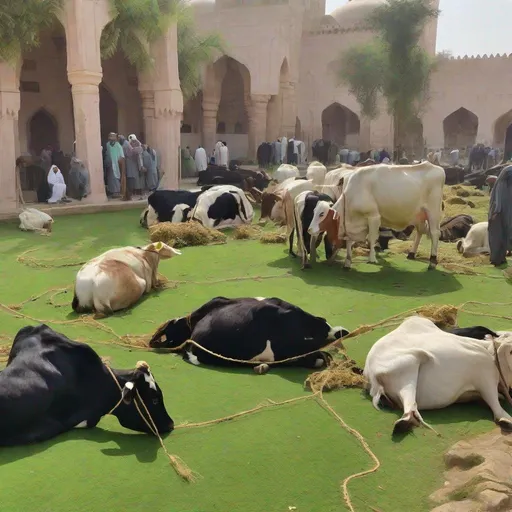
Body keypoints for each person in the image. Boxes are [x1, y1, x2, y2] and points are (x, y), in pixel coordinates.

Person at [488, 165, 512, 266]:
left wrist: (495, 212)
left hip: (498, 213)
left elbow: (498, 200)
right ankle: (501, 256)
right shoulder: (508, 185)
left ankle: (496, 258)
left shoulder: (501, 184)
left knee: (496, 235)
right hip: (507, 213)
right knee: (505, 233)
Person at [121, 134, 144, 200]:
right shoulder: (127, 145)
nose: (134, 143)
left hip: (136, 166)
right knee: (130, 179)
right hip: (128, 165)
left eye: (135, 141)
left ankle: (136, 192)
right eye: (133, 141)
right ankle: (129, 194)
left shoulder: (137, 147)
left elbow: (139, 149)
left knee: (135, 180)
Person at [104, 132, 124, 198]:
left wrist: (120, 162)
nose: (112, 138)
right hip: (109, 164)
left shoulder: (118, 145)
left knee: (116, 177)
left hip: (116, 164)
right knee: (110, 178)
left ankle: (117, 192)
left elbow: (121, 156)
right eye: (110, 136)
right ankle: (112, 191)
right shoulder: (107, 145)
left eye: (113, 136)